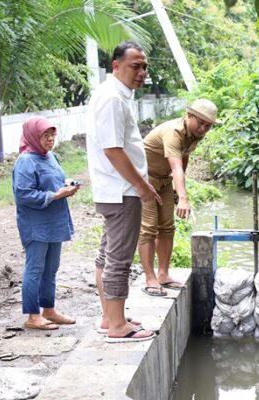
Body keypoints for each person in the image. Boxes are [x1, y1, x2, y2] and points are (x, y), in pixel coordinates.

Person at [86, 41, 161, 343]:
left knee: (107, 256)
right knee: (118, 258)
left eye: (144, 66)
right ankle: (117, 326)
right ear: (116, 66)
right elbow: (114, 150)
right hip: (122, 191)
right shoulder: (113, 99)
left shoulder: (115, 95)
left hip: (114, 189)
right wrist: (142, 187)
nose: (141, 72)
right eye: (135, 66)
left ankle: (110, 316)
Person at [138, 99, 219, 296]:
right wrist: (183, 198)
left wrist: (176, 188)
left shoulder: (193, 135)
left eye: (208, 126)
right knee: (148, 228)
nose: (203, 128)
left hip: (164, 180)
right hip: (144, 180)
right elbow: (176, 166)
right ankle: (150, 278)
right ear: (189, 116)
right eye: (200, 123)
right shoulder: (173, 132)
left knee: (167, 227)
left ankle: (163, 274)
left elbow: (184, 158)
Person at [12, 116, 79, 330]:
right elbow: (23, 194)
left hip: (54, 223)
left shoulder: (50, 157)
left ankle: (48, 310)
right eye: (45, 136)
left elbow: (57, 179)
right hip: (36, 225)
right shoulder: (25, 161)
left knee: (51, 268)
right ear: (33, 136)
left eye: (53, 135)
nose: (50, 139)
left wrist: (68, 184)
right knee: (35, 269)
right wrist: (55, 196)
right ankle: (32, 315)